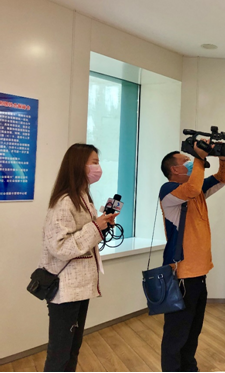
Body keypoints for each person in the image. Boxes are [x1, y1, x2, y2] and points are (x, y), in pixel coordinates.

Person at [40, 143, 118, 372]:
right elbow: (59, 247)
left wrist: (102, 225)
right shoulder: (65, 201)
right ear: (78, 165)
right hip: (65, 290)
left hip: (80, 287)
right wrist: (95, 227)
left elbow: (84, 239)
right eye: (94, 162)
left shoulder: (83, 197)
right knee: (60, 352)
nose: (98, 168)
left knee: (72, 348)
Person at [159, 143, 225, 372]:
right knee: (176, 332)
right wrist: (200, 158)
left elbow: (222, 178)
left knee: (193, 330)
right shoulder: (169, 191)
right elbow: (191, 189)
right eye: (186, 161)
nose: (190, 163)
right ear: (175, 170)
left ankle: (189, 367)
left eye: (192, 160)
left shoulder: (196, 190)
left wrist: (224, 159)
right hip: (181, 275)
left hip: (199, 273)